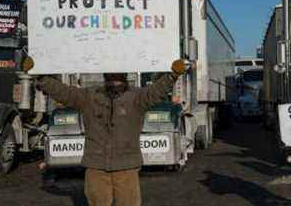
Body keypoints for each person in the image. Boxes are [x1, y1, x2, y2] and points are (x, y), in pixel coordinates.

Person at [35, 59, 189, 206]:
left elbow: (157, 91)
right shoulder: (88, 96)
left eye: (119, 77)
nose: (115, 80)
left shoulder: (137, 97)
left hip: (126, 168)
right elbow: (63, 93)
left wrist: (172, 76)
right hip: (96, 168)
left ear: (125, 77)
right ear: (105, 77)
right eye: (111, 77)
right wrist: (42, 78)